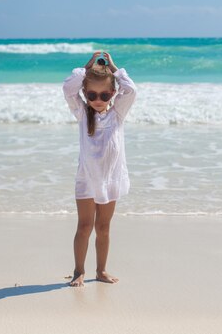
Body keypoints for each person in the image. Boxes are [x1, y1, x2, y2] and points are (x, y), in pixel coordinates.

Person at [62, 51, 136, 287]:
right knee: (84, 227)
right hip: (86, 179)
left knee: (103, 228)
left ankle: (101, 270)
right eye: (92, 94)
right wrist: (86, 67)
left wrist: (114, 68)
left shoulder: (117, 114)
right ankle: (78, 271)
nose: (98, 99)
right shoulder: (82, 113)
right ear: (85, 93)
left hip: (110, 180)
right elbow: (68, 88)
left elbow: (132, 90)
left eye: (104, 95)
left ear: (113, 94)